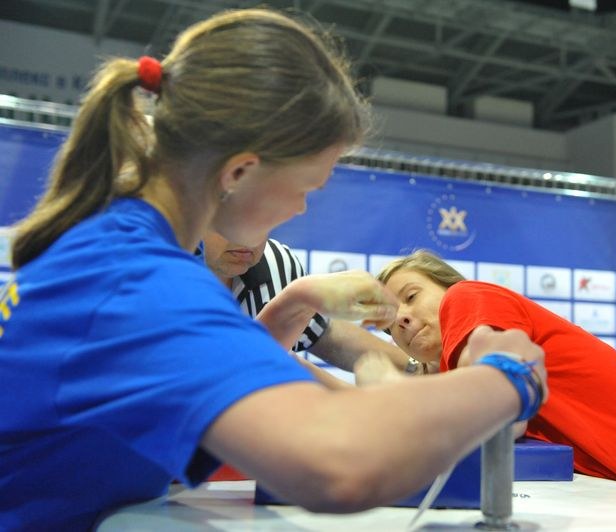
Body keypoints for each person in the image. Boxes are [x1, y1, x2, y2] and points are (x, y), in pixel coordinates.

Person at [0, 9, 547, 531]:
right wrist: (509, 377)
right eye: (307, 188)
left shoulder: (117, 244)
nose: (302, 209)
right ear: (239, 170)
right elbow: (338, 465)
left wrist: (294, 301)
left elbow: (217, 371)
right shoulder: (140, 282)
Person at [376, 250, 616, 515]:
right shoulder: (450, 365)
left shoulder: (467, 295)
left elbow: (494, 409)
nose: (403, 319)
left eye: (411, 296)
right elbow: (395, 368)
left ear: (446, 286)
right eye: (391, 323)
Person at [202, 232, 414, 373]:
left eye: (267, 217)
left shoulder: (278, 262)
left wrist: (418, 369)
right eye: (232, 213)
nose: (249, 236)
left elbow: (322, 332)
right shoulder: (170, 278)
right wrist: (297, 298)